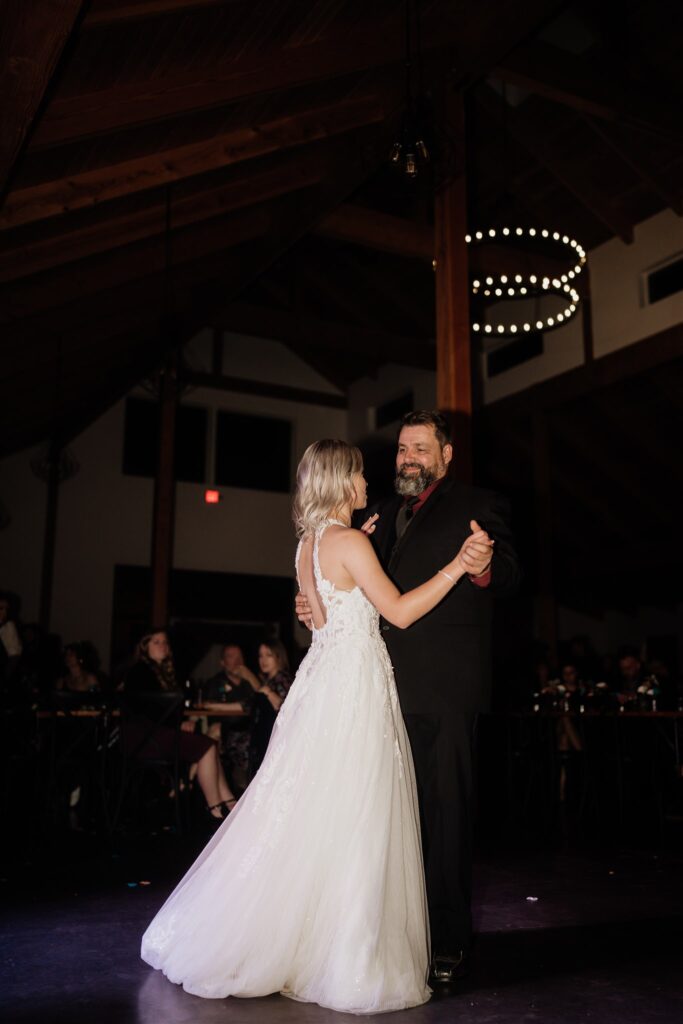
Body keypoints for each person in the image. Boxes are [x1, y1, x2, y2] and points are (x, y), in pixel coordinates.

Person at [140, 439, 492, 1013]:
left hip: (320, 683)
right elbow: (398, 612)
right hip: (354, 687)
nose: (364, 479)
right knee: (356, 814)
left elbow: (320, 620)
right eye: (356, 472)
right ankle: (341, 953)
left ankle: (293, 939)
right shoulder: (350, 541)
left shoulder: (306, 545)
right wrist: (456, 565)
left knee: (311, 810)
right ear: (339, 481)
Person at [299, 410, 520, 982]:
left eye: (421, 449)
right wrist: (314, 607)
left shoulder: (479, 503)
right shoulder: (375, 517)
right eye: (402, 449)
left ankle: (446, 942)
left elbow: (512, 575)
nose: (408, 459)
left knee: (444, 817)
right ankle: (397, 936)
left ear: (446, 456)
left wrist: (483, 565)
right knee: (389, 821)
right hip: (376, 690)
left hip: (444, 688)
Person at [124, 629, 237, 821]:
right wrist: (179, 723)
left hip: (156, 733)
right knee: (207, 747)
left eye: (165, 642)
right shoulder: (140, 671)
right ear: (145, 647)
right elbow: (149, 709)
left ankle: (229, 803)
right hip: (143, 737)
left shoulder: (161, 672)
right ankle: (215, 809)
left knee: (209, 743)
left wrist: (182, 721)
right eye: (156, 642)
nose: (163, 645)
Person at [201, 644, 255, 790]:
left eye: (239, 657)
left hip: (250, 731)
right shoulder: (214, 683)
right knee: (215, 731)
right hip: (225, 732)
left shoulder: (250, 682)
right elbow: (205, 706)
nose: (237, 661)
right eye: (231, 657)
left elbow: (260, 701)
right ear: (223, 662)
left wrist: (251, 677)